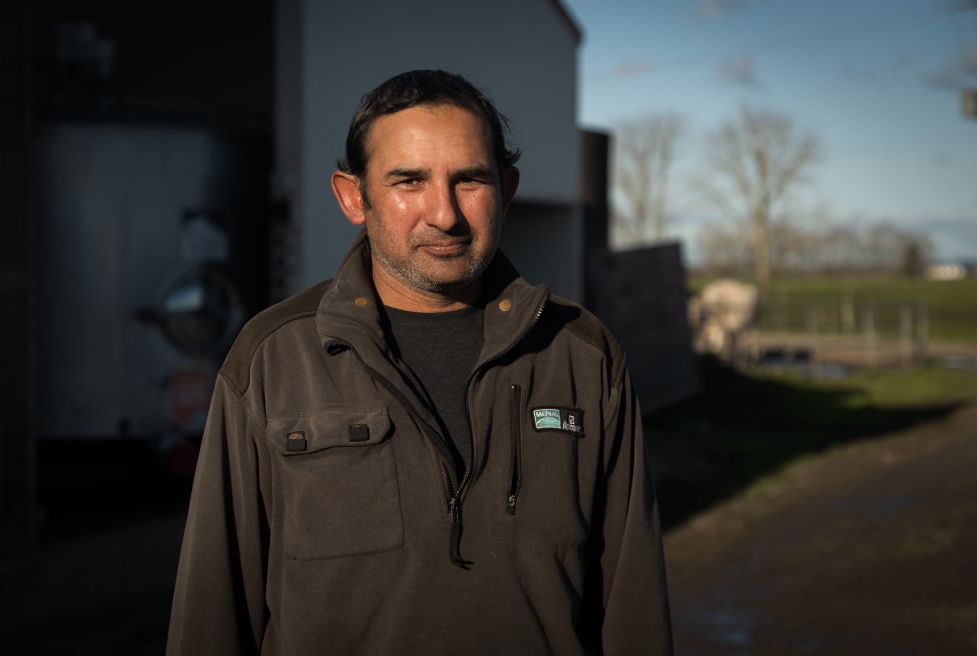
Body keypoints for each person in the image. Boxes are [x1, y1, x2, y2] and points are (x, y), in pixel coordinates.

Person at [166, 69, 673, 655]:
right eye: (409, 180)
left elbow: (634, 602)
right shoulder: (273, 359)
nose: (445, 214)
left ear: (506, 190)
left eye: (470, 180)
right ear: (354, 196)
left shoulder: (580, 354)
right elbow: (213, 606)